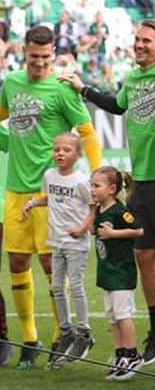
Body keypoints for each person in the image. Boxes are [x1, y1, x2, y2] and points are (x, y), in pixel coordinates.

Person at [64, 19, 155, 365]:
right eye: (137, 40)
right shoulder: (133, 77)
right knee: (143, 256)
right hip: (141, 179)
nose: (140, 45)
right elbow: (117, 106)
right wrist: (83, 89)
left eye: (147, 40)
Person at [1, 25, 102, 368]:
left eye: (46, 58)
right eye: (34, 57)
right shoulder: (12, 83)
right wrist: (8, 144)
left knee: (50, 265)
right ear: (24, 52)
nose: (40, 64)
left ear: (54, 54)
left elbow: (87, 132)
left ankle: (64, 333)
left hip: (51, 192)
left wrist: (101, 174)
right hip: (16, 190)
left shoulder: (61, 89)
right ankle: (30, 339)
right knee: (16, 262)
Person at [27, 133, 93, 366]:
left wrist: (84, 228)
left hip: (76, 243)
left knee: (75, 284)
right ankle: (66, 330)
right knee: (56, 286)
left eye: (66, 149)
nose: (60, 153)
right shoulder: (49, 175)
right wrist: (34, 202)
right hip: (57, 241)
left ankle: (84, 331)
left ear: (77, 154)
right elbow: (50, 198)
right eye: (57, 149)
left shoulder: (81, 181)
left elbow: (93, 206)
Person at [91, 166, 143, 379]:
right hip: (107, 272)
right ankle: (120, 353)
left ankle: (132, 355)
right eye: (91, 185)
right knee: (112, 316)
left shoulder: (121, 212)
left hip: (122, 273)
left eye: (96, 185)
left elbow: (139, 230)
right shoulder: (99, 210)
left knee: (123, 315)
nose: (92, 189)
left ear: (112, 189)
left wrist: (113, 233)